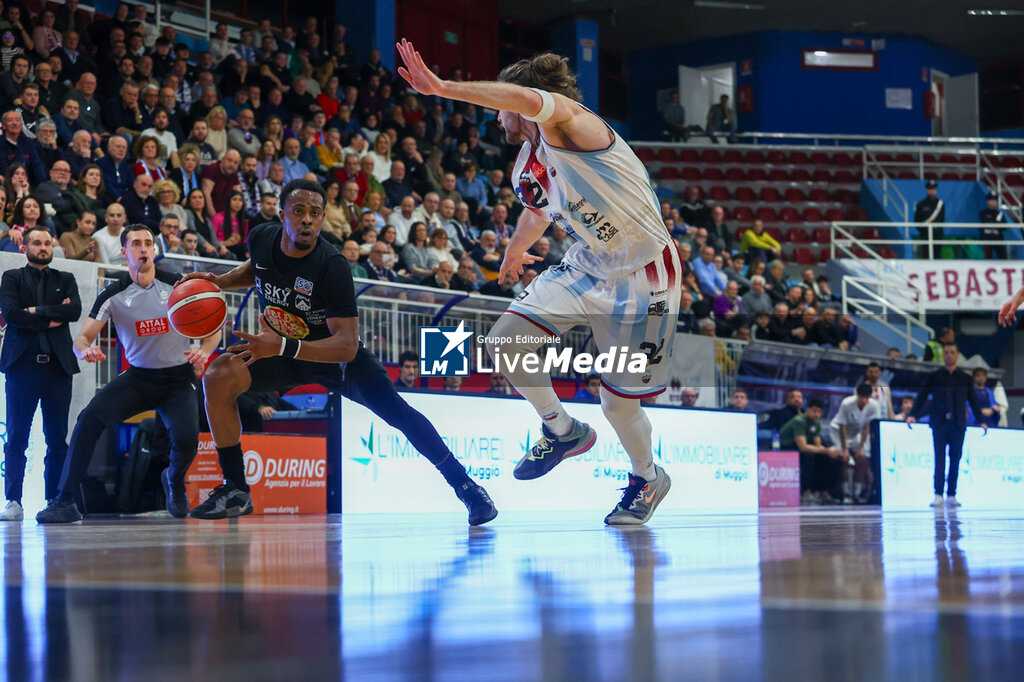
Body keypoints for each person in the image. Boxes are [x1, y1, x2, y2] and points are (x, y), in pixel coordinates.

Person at [398, 40, 679, 526]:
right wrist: (512, 248)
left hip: (644, 274)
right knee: (506, 341)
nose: (497, 117)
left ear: (517, 96)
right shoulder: (526, 161)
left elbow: (529, 103)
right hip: (589, 262)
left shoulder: (573, 123)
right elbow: (537, 207)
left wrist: (443, 88)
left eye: (502, 104)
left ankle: (647, 477)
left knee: (616, 403)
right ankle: (562, 430)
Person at [176, 179, 497, 525]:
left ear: (324, 217)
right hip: (283, 351)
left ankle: (466, 487)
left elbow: (345, 345)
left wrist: (282, 345)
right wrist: (221, 281)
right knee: (218, 375)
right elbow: (257, 269)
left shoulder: (332, 265)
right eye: (298, 212)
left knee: (399, 414)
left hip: (334, 358)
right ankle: (236, 488)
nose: (307, 220)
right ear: (282, 214)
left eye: (315, 213)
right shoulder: (261, 237)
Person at [36, 225, 220, 523]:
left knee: (187, 441)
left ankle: (173, 480)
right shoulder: (114, 293)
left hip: (178, 379)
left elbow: (215, 323)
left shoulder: (177, 285)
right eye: (136, 243)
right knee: (88, 420)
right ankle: (65, 500)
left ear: (154, 250)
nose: (144, 248)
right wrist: (85, 350)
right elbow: (81, 339)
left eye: (148, 243)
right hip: (138, 378)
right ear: (125, 252)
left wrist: (206, 349)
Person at [0, 228, 81, 520]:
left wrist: (33, 310)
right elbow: (11, 313)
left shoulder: (66, 279)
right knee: (17, 436)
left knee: (57, 437)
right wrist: (49, 319)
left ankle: (54, 501)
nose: (43, 247)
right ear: (25, 247)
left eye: (47, 243)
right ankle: (14, 501)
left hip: (58, 368)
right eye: (37, 242)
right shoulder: (11, 278)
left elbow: (73, 312)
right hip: (22, 367)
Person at [906, 342, 987, 509]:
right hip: (939, 423)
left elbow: (972, 400)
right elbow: (922, 396)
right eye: (946, 352)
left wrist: (982, 420)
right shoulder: (935, 376)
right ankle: (937, 494)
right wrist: (912, 414)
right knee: (939, 459)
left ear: (957, 355)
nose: (949, 355)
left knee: (955, 459)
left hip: (958, 424)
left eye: (952, 352)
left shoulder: (964, 378)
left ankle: (951, 494)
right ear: (943, 355)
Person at [779, 397, 842, 505]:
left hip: (805, 449)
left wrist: (828, 451)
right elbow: (803, 447)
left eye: (819, 412)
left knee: (828, 459)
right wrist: (826, 450)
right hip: (788, 448)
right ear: (807, 410)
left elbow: (818, 446)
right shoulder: (799, 421)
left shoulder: (816, 423)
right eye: (814, 411)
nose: (816, 414)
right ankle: (805, 493)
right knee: (809, 457)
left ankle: (823, 492)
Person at [830, 384, 879, 504]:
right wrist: (845, 449)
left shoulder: (873, 405)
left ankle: (857, 493)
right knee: (845, 459)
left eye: (867, 397)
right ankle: (847, 493)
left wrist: (860, 447)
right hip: (839, 433)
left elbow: (866, 427)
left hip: (855, 434)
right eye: (862, 397)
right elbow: (842, 426)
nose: (864, 400)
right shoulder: (846, 403)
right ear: (857, 395)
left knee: (861, 458)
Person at [914, 180, 945, 259]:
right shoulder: (921, 204)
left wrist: (936, 229)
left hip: (937, 236)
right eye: (930, 189)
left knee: (937, 256)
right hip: (925, 236)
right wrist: (925, 230)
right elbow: (917, 220)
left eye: (934, 189)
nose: (932, 191)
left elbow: (941, 219)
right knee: (926, 256)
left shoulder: (940, 204)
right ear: (927, 190)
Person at [979, 191, 1008, 259]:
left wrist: (995, 226)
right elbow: (986, 224)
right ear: (988, 201)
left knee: (1003, 257)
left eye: (994, 200)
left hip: (998, 238)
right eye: (991, 200)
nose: (993, 202)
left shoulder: (999, 213)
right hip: (987, 238)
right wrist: (996, 224)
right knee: (988, 257)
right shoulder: (983, 213)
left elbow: (1004, 226)